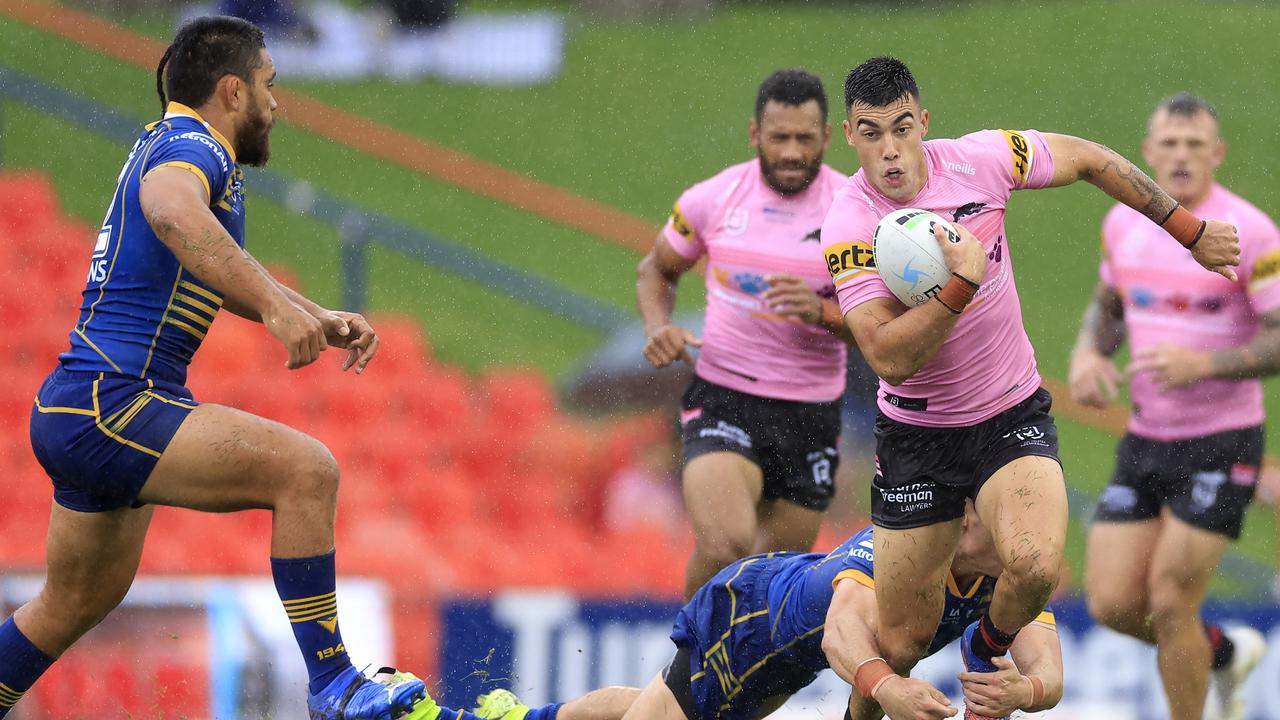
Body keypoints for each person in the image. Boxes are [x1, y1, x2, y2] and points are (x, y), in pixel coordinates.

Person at [1, 17, 425, 719]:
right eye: (268, 85)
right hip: (117, 400)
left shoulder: (167, 142)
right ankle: (335, 685)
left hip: (81, 404)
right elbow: (169, 211)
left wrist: (306, 312)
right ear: (232, 90)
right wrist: (278, 310)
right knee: (306, 470)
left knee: (71, 603)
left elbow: (205, 265)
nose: (276, 103)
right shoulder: (195, 146)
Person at [818, 57, 1240, 720]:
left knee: (1037, 563)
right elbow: (885, 356)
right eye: (872, 133)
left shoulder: (982, 160)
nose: (891, 151)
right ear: (849, 134)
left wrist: (1187, 229)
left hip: (1008, 413)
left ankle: (984, 655)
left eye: (902, 128)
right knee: (900, 645)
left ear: (924, 122)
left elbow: (1090, 158)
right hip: (918, 436)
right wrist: (962, 285)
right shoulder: (848, 222)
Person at [395, 501, 1063, 720]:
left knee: (666, 708)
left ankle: (519, 717)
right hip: (752, 622)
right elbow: (843, 635)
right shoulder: (907, 554)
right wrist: (888, 688)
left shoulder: (1015, 580)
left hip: (780, 641)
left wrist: (1025, 691)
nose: (973, 520)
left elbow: (1049, 672)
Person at [1069, 93, 1278, 720]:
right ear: (1147, 152)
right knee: (1110, 603)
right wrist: (1088, 355)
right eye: (1170, 144)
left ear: (1217, 153)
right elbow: (1108, 307)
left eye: (1195, 144)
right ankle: (1222, 651)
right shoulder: (1123, 224)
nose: (1182, 156)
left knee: (1169, 600)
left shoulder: (1254, 232)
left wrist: (1203, 365)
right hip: (1146, 438)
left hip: (1225, 440)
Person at [635, 68, 856, 599]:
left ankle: (744, 679)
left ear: (828, 137)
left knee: (773, 584)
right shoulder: (713, 200)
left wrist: (822, 312)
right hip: (725, 399)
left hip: (811, 413)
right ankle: (685, 668)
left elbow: (891, 323)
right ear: (755, 134)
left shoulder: (857, 212)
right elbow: (656, 270)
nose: (791, 151)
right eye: (779, 137)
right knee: (725, 544)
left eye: (805, 138)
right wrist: (658, 325)